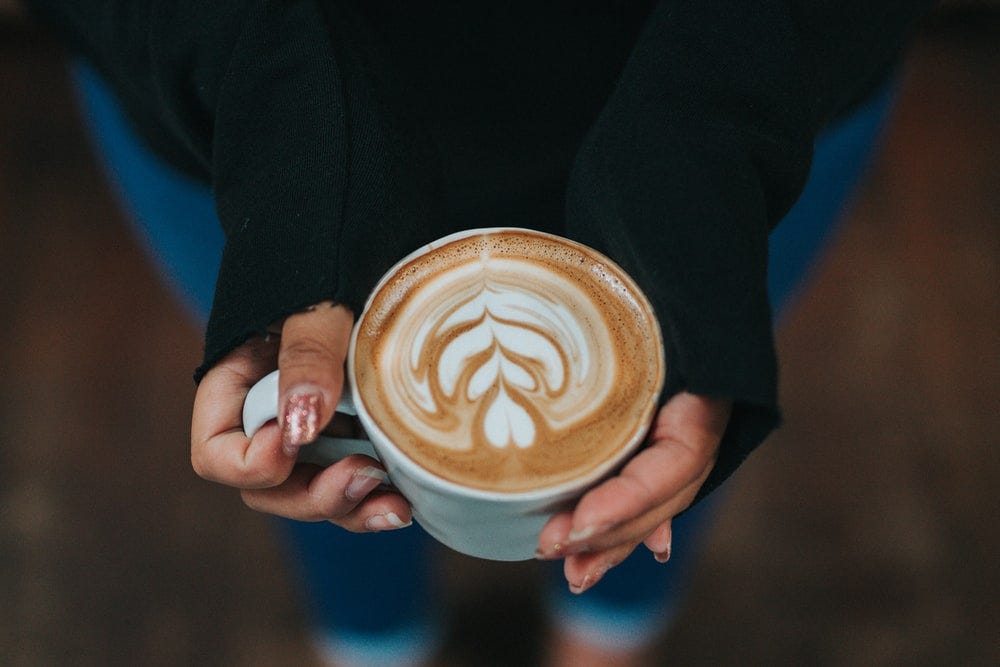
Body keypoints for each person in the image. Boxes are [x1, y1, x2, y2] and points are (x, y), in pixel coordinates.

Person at [15, 2, 933, 664]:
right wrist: (294, 151)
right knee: (303, 422)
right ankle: (373, 643)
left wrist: (706, 151)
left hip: (753, 72)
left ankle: (604, 644)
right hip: (236, 83)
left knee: (673, 423)